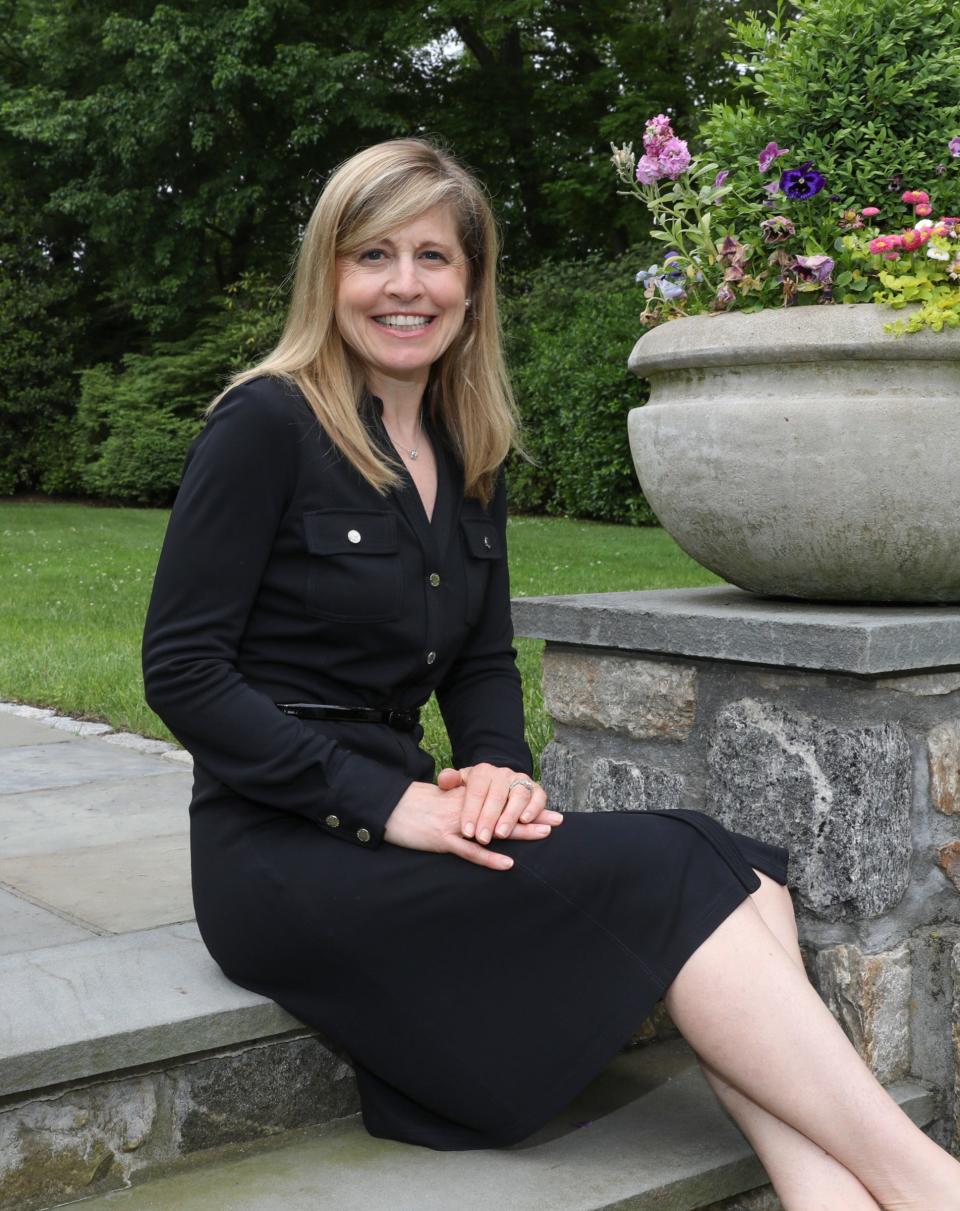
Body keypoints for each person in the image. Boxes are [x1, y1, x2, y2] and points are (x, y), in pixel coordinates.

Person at [142, 138, 960, 1209]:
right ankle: (929, 1181)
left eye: (433, 256)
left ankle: (834, 1198)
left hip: (419, 807)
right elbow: (183, 670)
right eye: (372, 254)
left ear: (472, 286)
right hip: (286, 848)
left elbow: (479, 661)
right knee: (677, 865)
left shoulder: (463, 439)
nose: (404, 285)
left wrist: (495, 767)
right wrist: (387, 806)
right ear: (327, 275)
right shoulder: (265, 424)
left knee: (737, 858)